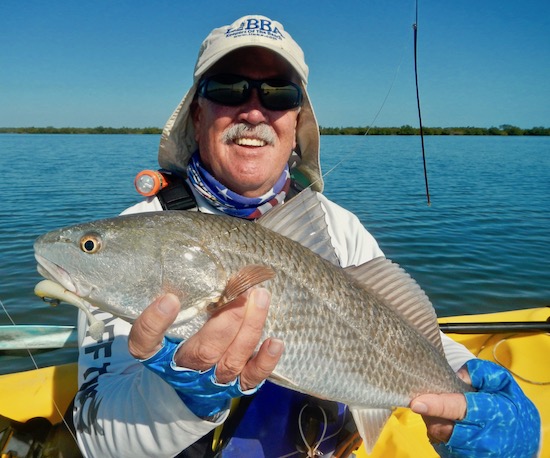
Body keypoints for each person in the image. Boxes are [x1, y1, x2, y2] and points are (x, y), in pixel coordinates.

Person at [74, 15, 541, 458]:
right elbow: (98, 439)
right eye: (228, 88)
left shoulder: (339, 228)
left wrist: (473, 400)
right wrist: (179, 396)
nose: (254, 110)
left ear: (297, 124)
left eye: (279, 94)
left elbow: (406, 338)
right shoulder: (133, 236)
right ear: (197, 116)